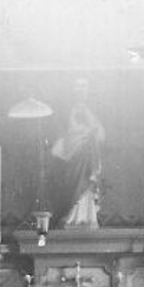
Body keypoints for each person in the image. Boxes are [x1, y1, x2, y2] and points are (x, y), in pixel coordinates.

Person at [49, 78, 105, 229]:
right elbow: (67, 132)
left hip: (88, 157)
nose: (81, 90)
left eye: (84, 87)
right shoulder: (67, 110)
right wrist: (82, 132)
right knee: (73, 184)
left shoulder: (91, 110)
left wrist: (89, 124)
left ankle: (86, 217)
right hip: (71, 156)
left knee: (87, 184)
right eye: (78, 86)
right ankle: (71, 216)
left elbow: (100, 134)